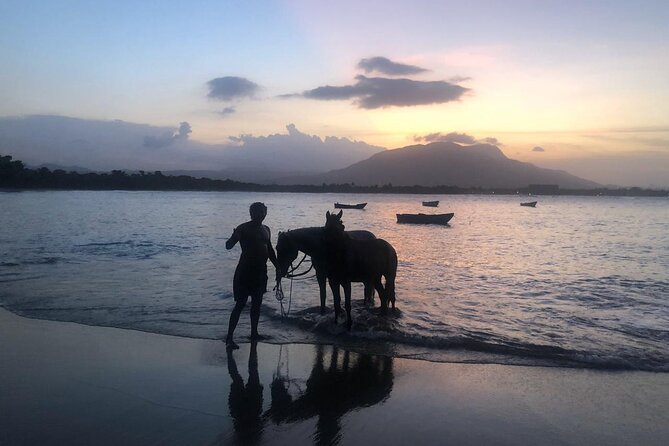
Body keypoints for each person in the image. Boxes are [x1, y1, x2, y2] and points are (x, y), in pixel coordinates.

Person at [225, 202, 277, 349]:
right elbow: (228, 246)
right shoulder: (243, 228)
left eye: (263, 212)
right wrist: (234, 236)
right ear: (251, 213)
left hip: (261, 272)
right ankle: (229, 338)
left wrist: (278, 268)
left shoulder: (266, 229)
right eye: (258, 212)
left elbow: (270, 250)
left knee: (257, 304)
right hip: (244, 272)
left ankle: (254, 333)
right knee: (240, 304)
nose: (261, 214)